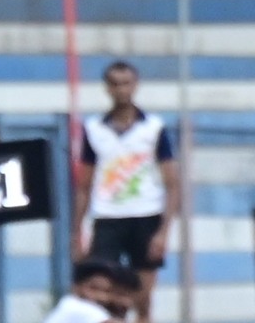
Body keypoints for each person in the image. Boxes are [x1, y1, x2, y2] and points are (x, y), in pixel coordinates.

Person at [75, 61, 180, 323]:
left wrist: (163, 232)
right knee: (100, 297)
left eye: (126, 83)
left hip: (145, 216)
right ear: (107, 88)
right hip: (107, 217)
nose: (121, 90)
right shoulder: (94, 129)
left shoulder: (153, 128)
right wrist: (77, 231)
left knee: (143, 300)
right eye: (115, 84)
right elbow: (84, 184)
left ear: (135, 85)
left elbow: (172, 182)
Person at [42, 259, 140, 323]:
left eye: (107, 291)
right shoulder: (79, 307)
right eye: (94, 289)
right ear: (76, 287)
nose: (101, 297)